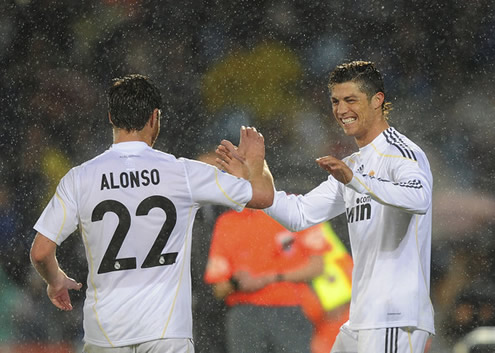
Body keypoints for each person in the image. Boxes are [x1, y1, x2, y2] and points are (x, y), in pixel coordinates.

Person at [29, 74, 274, 353]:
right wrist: (257, 162)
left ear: (111, 117)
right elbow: (264, 196)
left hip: (106, 334)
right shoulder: (182, 173)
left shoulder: (79, 178)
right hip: (166, 333)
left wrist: (56, 280)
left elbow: (40, 252)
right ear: (154, 118)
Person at [216, 61, 434, 353]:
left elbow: (419, 198)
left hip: (395, 316)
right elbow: (300, 214)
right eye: (335, 101)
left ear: (377, 100)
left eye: (350, 100)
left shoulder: (401, 153)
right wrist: (254, 176)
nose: (341, 110)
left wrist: (356, 181)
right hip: (362, 318)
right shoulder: (355, 164)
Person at [204, 208, 329, 353]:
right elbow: (218, 289)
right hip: (246, 315)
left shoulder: (292, 208)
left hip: (291, 310)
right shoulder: (227, 221)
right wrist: (237, 282)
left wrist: (267, 279)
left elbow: (318, 266)